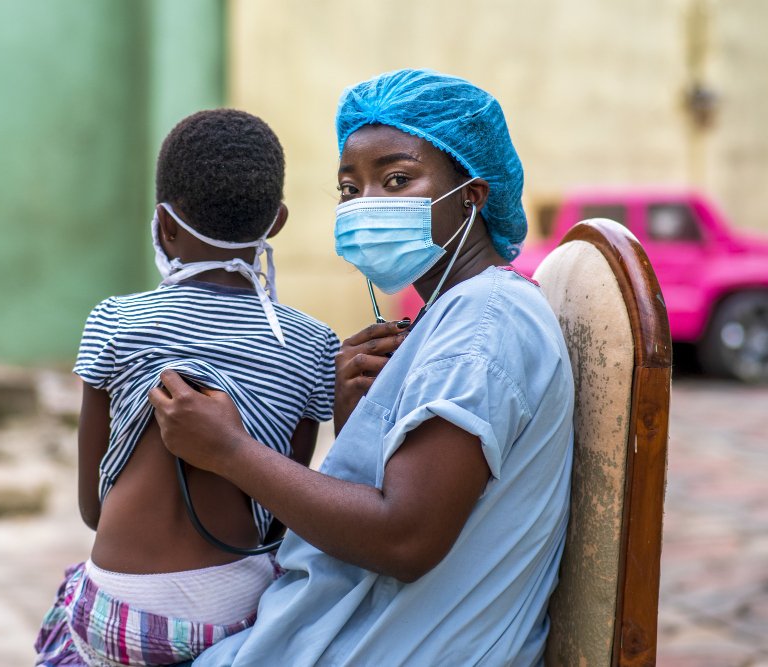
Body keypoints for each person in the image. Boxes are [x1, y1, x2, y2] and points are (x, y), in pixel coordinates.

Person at [148, 69, 575, 666]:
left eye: (397, 179)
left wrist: (229, 451)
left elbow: (405, 538)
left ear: (472, 195)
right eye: (350, 189)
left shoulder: (485, 322)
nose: (366, 205)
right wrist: (356, 422)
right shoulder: (448, 317)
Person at [34, 109, 341, 667]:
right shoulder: (313, 344)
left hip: (117, 618)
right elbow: (278, 519)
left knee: (72, 604)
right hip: (234, 619)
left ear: (164, 224)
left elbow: (91, 509)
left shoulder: (115, 321)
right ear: (276, 221)